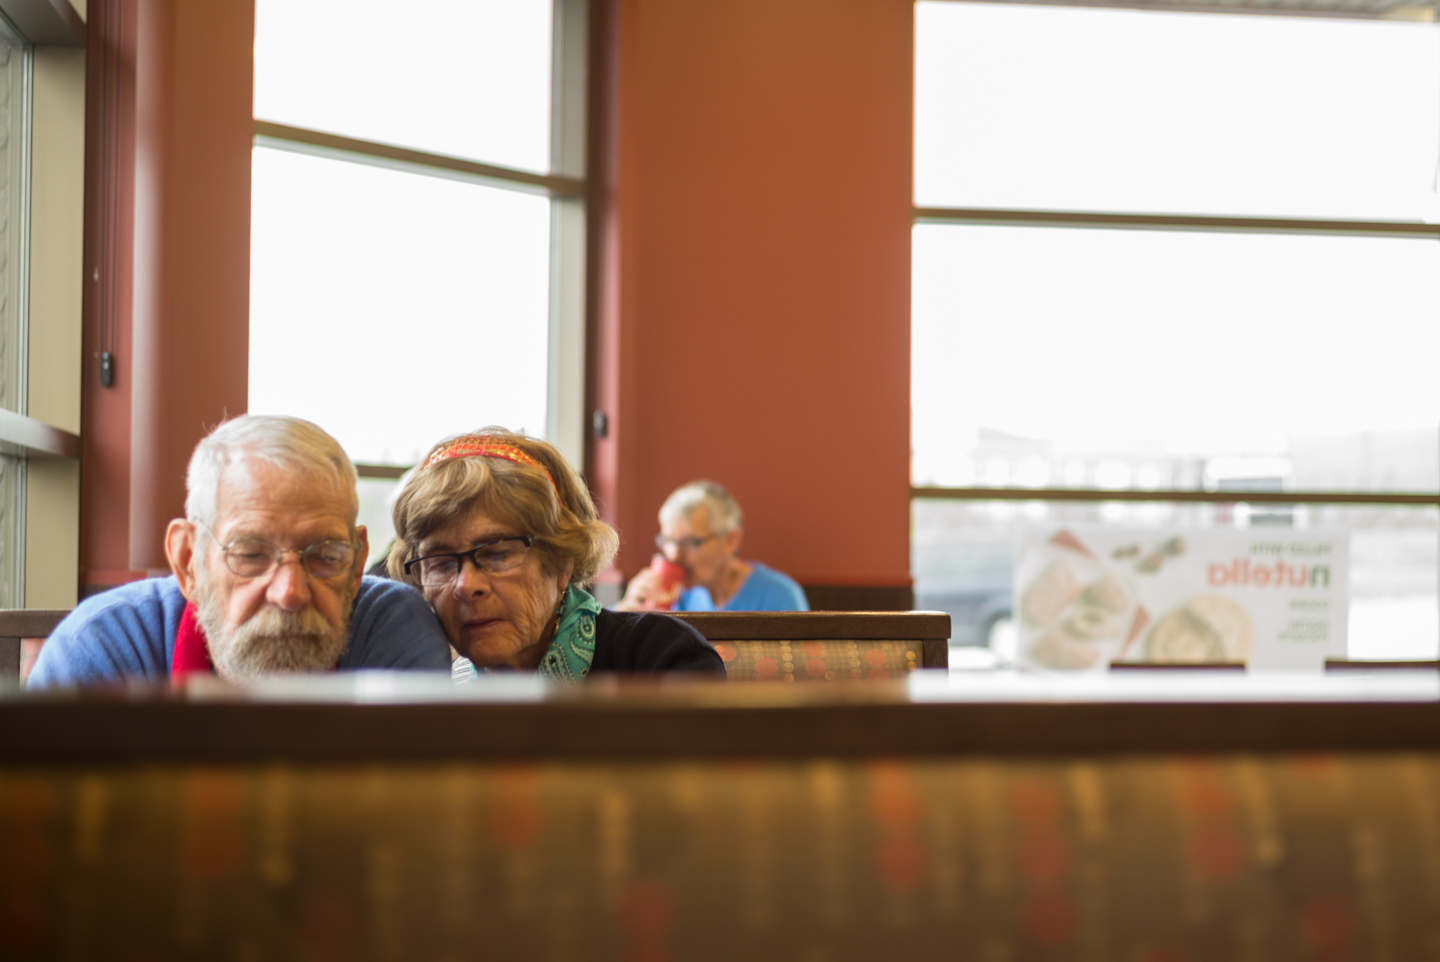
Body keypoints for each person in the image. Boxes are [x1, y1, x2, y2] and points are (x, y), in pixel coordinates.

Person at [28, 416, 453, 687]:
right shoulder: (103, 649)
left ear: (359, 563)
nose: (289, 593)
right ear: (188, 562)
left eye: (325, 555)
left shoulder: (393, 631)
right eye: (250, 555)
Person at [388, 429, 724, 681]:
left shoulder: (660, 658)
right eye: (441, 563)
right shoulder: (420, 679)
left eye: (496, 554)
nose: (465, 585)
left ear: (561, 560)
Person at [615, 480, 809, 612]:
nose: (674, 555)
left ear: (731, 541)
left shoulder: (780, 597)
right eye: (668, 542)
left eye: (690, 543)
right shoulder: (676, 597)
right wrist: (628, 611)